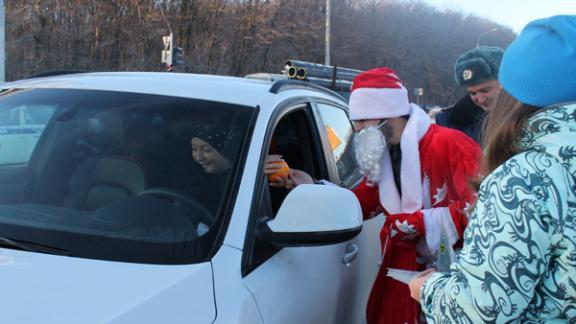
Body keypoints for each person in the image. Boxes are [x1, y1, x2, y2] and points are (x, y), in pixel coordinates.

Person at [266, 68, 482, 324]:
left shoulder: (450, 145)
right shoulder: (387, 152)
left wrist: (421, 222)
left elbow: (482, 208)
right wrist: (312, 186)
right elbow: (365, 201)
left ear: (387, 116)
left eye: (362, 121)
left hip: (451, 271)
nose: (356, 129)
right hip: (405, 265)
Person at [409, 15, 576, 322]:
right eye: (472, 94)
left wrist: (428, 290)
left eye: (487, 89)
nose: (480, 100)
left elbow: (481, 310)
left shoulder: (526, 176)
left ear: (514, 91)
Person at [436, 46, 504, 143]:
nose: (480, 100)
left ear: (505, 82)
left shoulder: (528, 118)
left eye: (485, 90)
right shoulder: (448, 123)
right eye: (472, 93)